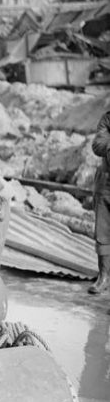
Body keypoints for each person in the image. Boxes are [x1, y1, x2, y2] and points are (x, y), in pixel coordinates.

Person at [89, 110, 110, 294]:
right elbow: (97, 144)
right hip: (106, 183)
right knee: (102, 233)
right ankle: (103, 277)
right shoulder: (108, 118)